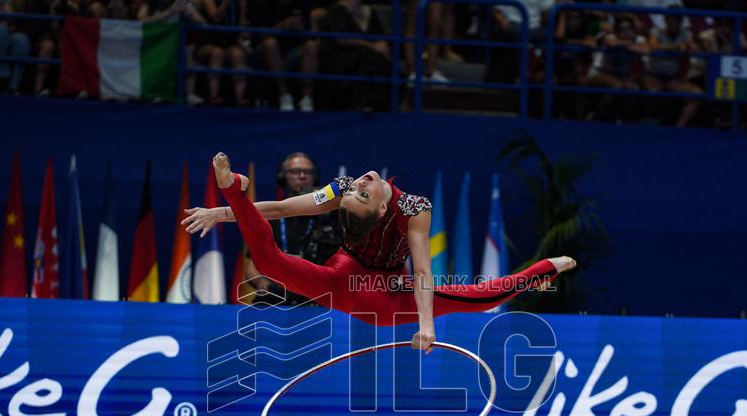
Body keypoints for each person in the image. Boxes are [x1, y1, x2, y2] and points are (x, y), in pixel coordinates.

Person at [184, 153, 576, 351]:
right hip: (341, 280)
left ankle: (544, 269)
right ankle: (234, 188)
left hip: (385, 296)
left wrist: (427, 325)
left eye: (360, 192)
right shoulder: (341, 189)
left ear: (384, 208)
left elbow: (422, 272)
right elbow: (283, 208)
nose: (358, 183)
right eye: (357, 190)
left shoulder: (415, 209)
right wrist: (223, 211)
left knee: (477, 297)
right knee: (269, 262)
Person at [243, 152, 343, 305]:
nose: (302, 176)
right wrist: (266, 286)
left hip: (317, 296)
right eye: (296, 171)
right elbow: (251, 269)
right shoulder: (271, 216)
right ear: (283, 177)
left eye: (308, 172)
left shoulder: (330, 217)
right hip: (277, 296)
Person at [249, 0, 319, 111]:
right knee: (270, 43)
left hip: (294, 53)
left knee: (311, 45)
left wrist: (300, 30)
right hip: (266, 54)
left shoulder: (302, 6)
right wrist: (281, 27)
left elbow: (312, 36)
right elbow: (257, 37)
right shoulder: (264, 5)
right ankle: (284, 94)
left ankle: (307, 98)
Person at [643, 11, 703, 127]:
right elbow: (653, 47)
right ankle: (649, 123)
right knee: (653, 92)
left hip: (673, 78)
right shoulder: (656, 31)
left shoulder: (685, 34)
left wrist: (692, 47)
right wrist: (675, 47)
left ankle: (678, 127)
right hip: (653, 75)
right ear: (666, 20)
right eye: (672, 20)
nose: (675, 24)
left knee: (696, 94)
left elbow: (693, 47)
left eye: (678, 20)